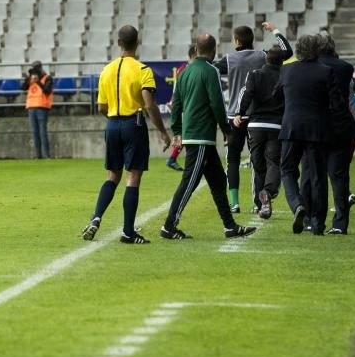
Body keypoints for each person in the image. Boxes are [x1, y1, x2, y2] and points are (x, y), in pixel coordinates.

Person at [161, 34, 257, 241]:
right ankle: (169, 225)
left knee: (218, 180)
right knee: (189, 182)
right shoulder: (211, 71)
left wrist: (176, 131)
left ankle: (230, 226)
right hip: (202, 136)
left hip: (192, 134)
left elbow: (176, 104)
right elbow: (217, 103)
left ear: (195, 49)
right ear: (213, 50)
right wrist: (227, 130)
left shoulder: (185, 73)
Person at [81, 26, 172, 245]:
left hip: (112, 124)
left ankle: (96, 217)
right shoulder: (143, 70)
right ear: (137, 42)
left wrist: (113, 118)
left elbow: (101, 106)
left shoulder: (107, 70)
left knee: (112, 175)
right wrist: (163, 131)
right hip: (134, 124)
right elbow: (149, 105)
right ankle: (128, 232)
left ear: (119, 42)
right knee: (133, 178)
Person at [214, 22, 293, 213]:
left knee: (232, 159)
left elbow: (211, 68)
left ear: (236, 41)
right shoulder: (263, 56)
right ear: (252, 40)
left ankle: (234, 203)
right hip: (256, 116)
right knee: (258, 162)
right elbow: (287, 52)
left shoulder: (229, 59)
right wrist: (275, 30)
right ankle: (260, 203)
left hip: (235, 115)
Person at [274, 35, 344, 235]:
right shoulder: (326, 72)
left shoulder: (286, 70)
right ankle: (318, 225)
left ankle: (297, 205)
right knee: (318, 177)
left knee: (287, 170)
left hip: (291, 127)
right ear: (316, 51)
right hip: (317, 130)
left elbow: (276, 96)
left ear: (298, 50)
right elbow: (337, 105)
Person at [318, 33, 355, 235]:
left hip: (317, 128)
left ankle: (315, 220)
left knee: (315, 176)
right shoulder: (345, 68)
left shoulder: (311, 68)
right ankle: (340, 224)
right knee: (340, 177)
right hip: (342, 127)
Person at [236, 47, 285, 219]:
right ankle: (268, 192)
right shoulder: (284, 76)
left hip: (256, 125)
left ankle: (260, 203)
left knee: (258, 164)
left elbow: (247, 95)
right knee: (273, 161)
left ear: (266, 59)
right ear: (281, 61)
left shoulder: (255, 74)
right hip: (277, 126)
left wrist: (239, 114)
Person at [164, 43, 197, 172]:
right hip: (183, 106)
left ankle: (173, 159)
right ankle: (173, 159)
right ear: (195, 54)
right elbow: (178, 90)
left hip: (182, 105)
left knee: (185, 134)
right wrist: (174, 103)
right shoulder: (186, 69)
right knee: (186, 134)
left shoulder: (184, 68)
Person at [22, 61, 54, 159]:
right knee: (35, 132)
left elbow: (47, 90)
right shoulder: (31, 78)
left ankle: (47, 155)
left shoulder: (47, 78)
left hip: (42, 107)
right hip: (31, 107)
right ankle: (38, 155)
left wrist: (38, 82)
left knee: (42, 132)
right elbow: (23, 87)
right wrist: (29, 79)